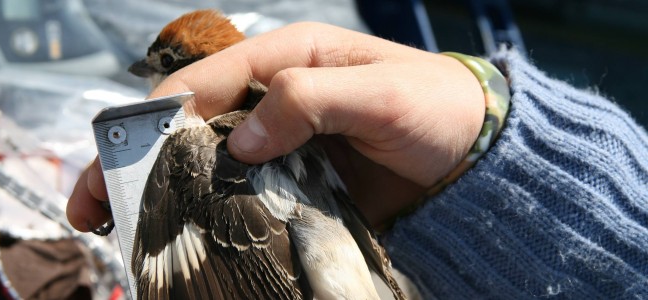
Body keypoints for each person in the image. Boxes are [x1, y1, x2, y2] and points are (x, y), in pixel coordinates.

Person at [66, 22, 648, 298]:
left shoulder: (204, 145)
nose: (150, 74)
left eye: (164, 61)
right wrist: (482, 148)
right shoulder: (295, 136)